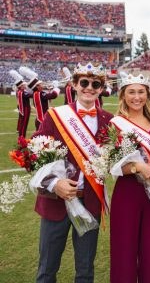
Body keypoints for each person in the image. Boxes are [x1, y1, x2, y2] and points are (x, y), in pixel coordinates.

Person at [33, 62, 113, 283]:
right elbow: (35, 154)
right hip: (55, 202)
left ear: (101, 88)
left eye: (95, 84)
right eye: (84, 82)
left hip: (89, 202)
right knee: (47, 269)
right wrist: (53, 183)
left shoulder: (108, 119)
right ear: (74, 85)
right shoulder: (55, 115)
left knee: (85, 270)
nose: (89, 87)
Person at [109, 73, 150, 283]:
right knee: (124, 251)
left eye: (141, 92)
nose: (136, 97)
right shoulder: (116, 123)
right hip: (127, 193)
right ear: (123, 96)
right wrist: (137, 167)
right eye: (131, 92)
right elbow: (109, 166)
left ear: (147, 94)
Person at [9, 69, 33, 137]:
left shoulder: (19, 91)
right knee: (24, 122)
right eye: (23, 85)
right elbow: (31, 95)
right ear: (21, 86)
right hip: (24, 107)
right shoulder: (22, 92)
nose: (25, 86)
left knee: (21, 120)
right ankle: (21, 135)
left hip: (21, 106)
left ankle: (19, 131)